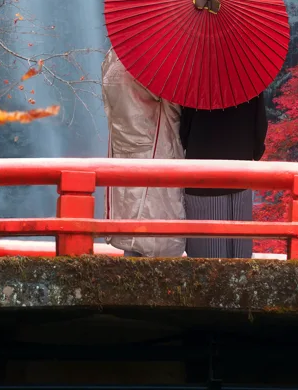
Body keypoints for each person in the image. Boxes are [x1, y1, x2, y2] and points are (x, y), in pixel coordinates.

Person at [100, 48, 186, 258]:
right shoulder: (156, 61)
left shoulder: (112, 59)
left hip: (123, 144)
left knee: (129, 216)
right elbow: (174, 106)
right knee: (156, 221)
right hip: (154, 144)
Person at [180, 93, 267, 259]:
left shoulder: (195, 86)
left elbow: (183, 132)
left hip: (203, 177)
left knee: (207, 259)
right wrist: (254, 152)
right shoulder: (248, 84)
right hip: (240, 173)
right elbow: (260, 126)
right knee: (240, 254)